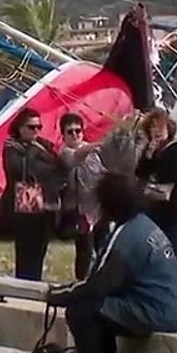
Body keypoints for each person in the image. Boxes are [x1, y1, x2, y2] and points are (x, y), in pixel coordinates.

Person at [45, 171, 177, 353]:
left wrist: (60, 295)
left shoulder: (126, 236)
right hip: (171, 306)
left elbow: (99, 284)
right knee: (102, 309)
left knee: (81, 312)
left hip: (155, 310)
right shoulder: (144, 225)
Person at [2, 108, 66, 281]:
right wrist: (33, 153)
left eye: (39, 127)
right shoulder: (12, 147)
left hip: (46, 202)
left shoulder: (44, 145)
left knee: (40, 247)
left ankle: (35, 279)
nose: (36, 131)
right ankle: (24, 282)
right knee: (25, 249)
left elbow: (59, 167)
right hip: (25, 201)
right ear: (20, 128)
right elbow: (18, 170)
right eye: (31, 127)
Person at [135, 108, 177, 298]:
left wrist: (156, 169)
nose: (157, 131)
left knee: (173, 249)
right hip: (153, 206)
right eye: (153, 127)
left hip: (172, 207)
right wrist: (149, 154)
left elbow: (174, 173)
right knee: (156, 249)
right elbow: (140, 172)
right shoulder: (150, 150)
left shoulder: (176, 148)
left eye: (161, 127)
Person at [59, 112, 105, 280]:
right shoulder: (65, 152)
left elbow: (101, 171)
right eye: (70, 132)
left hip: (98, 207)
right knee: (84, 249)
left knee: (103, 247)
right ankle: (82, 282)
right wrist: (98, 145)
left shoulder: (93, 151)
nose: (75, 135)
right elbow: (75, 158)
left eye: (78, 130)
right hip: (79, 209)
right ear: (63, 135)